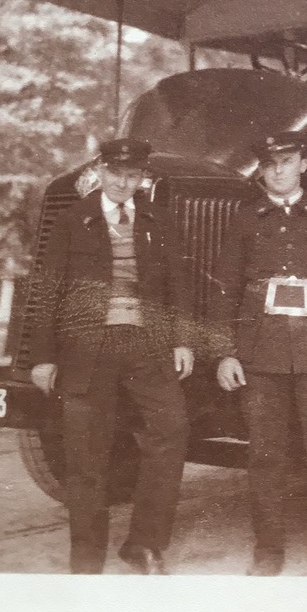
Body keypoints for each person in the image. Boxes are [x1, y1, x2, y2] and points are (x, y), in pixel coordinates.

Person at [26, 137, 195, 575]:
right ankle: (86, 561)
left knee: (171, 431)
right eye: (116, 172)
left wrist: (181, 340)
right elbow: (46, 292)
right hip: (87, 350)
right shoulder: (71, 221)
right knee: (85, 454)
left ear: (142, 177)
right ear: (100, 169)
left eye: (133, 175)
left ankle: (144, 544)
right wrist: (41, 358)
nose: (123, 182)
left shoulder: (159, 219)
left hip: (147, 345)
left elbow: (178, 284)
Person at [210, 131, 307, 576]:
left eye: (287, 160)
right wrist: (225, 353)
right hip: (261, 355)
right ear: (261, 168)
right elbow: (225, 291)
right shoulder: (244, 219)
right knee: (264, 457)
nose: (278, 169)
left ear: (303, 164)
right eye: (269, 162)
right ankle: (268, 551)